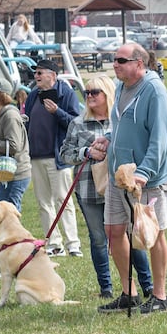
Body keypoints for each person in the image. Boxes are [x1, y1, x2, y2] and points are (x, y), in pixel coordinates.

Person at [93, 42, 167, 314]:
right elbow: (121, 127)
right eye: (113, 59)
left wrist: (144, 172)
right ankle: (129, 293)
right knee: (113, 231)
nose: (115, 64)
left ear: (139, 63)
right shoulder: (120, 88)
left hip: (147, 178)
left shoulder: (154, 90)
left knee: (152, 234)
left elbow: (160, 139)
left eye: (121, 60)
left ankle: (161, 297)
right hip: (120, 175)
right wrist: (107, 140)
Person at [62, 74, 152, 301]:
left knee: (131, 236)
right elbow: (64, 154)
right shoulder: (78, 123)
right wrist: (86, 153)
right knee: (99, 239)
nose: (89, 97)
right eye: (87, 93)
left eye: (95, 92)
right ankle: (107, 288)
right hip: (89, 190)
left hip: (121, 188)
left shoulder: (120, 121)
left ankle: (146, 284)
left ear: (107, 94)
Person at [23, 60, 82, 258]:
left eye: (40, 73)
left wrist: (56, 111)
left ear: (53, 75)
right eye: (35, 73)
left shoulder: (66, 93)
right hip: (36, 157)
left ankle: (73, 244)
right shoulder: (33, 96)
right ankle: (54, 245)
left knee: (63, 200)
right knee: (43, 203)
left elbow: (75, 123)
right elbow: (27, 119)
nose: (37, 76)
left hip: (58, 157)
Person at [0, 78, 32, 210]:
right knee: (4, 212)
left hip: (17, 174)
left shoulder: (9, 116)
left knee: (10, 215)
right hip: (8, 174)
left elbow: (13, 146)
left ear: (1, 94)